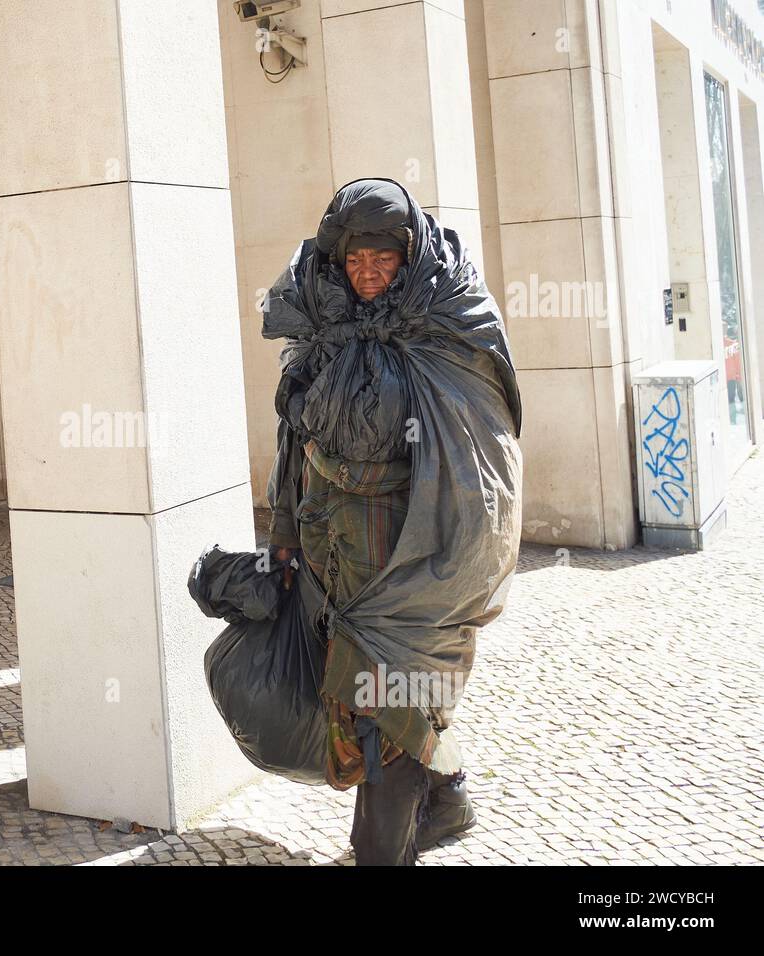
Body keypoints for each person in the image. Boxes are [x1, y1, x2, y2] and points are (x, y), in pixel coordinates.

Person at [264, 178, 522, 865]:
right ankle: (448, 796)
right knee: (365, 699)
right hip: (336, 557)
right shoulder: (321, 328)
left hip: (411, 562)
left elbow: (476, 452)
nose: (370, 275)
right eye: (357, 261)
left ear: (409, 259)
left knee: (387, 708)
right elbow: (293, 443)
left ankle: (381, 853)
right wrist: (284, 537)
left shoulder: (443, 329)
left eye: (384, 261)